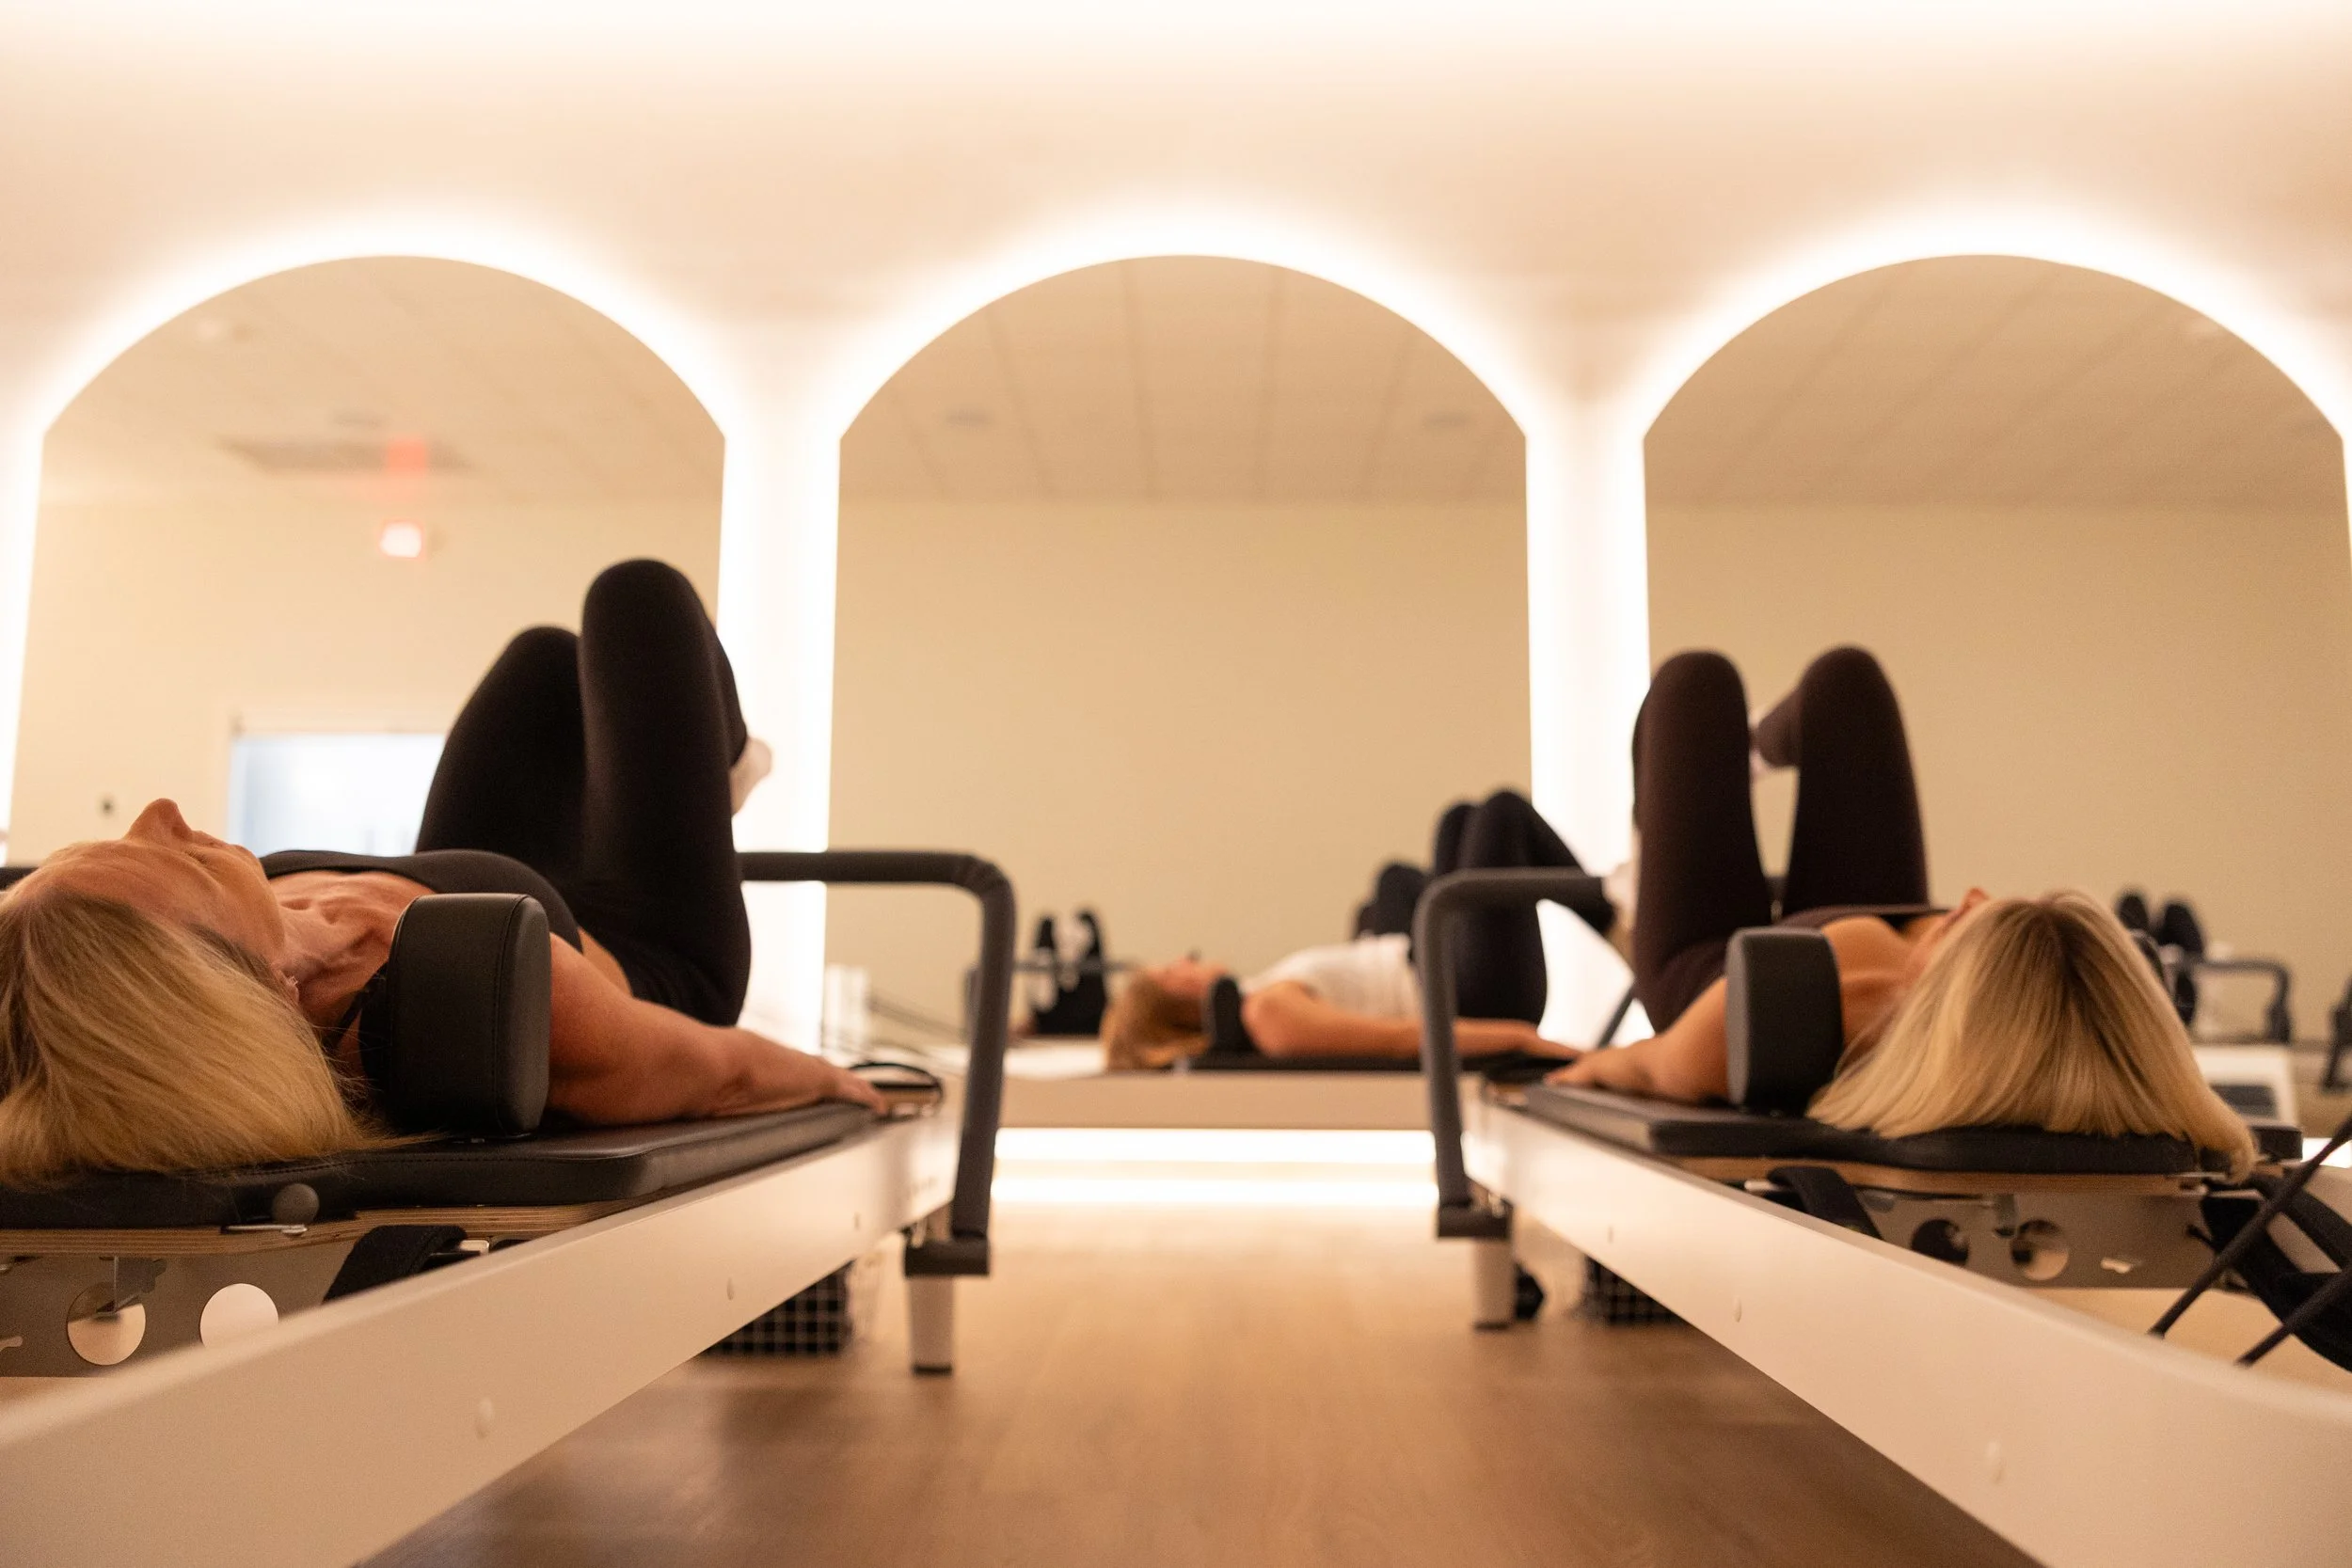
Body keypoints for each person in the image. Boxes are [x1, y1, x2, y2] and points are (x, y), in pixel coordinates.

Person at [0, 560, 882, 1187]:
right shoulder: (455, 997)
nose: (162, 813)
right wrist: (837, 1084)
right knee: (636, 596)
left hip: (508, 885)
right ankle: (729, 772)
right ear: (250, 986)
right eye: (174, 861)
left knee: (543, 661)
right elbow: (713, 1071)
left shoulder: (221, 940)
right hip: (653, 958)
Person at [1551, 646, 2254, 1172]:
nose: (1970, 897)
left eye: (1963, 920)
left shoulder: (1812, 1012)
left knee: (1694, 686)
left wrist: (1565, 1076)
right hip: (1866, 919)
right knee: (1845, 680)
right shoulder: (2070, 994)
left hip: (1705, 961)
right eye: (1981, 910)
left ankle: (1684, 801)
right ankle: (1757, 748)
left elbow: (1643, 1069)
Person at [1101, 789, 1613, 1069]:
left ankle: (1619, 922)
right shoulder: (1269, 1014)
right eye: (1176, 967)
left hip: (1435, 969)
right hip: (1470, 994)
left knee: (1456, 822)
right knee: (1501, 815)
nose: (1189, 960)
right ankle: (1624, 932)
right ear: (1180, 990)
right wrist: (1523, 1040)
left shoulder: (1262, 998)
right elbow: (1403, 1040)